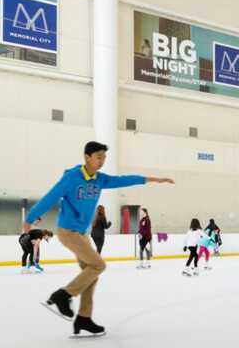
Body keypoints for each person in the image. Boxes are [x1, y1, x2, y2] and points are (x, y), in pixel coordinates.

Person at [24, 141, 174, 337]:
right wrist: (29, 219)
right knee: (98, 266)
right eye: (99, 157)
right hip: (67, 231)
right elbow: (50, 197)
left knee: (91, 273)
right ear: (87, 157)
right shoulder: (72, 177)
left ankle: (83, 319)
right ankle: (63, 295)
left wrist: (154, 179)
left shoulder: (99, 179)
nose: (102, 161)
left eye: (104, 157)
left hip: (82, 233)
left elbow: (124, 180)